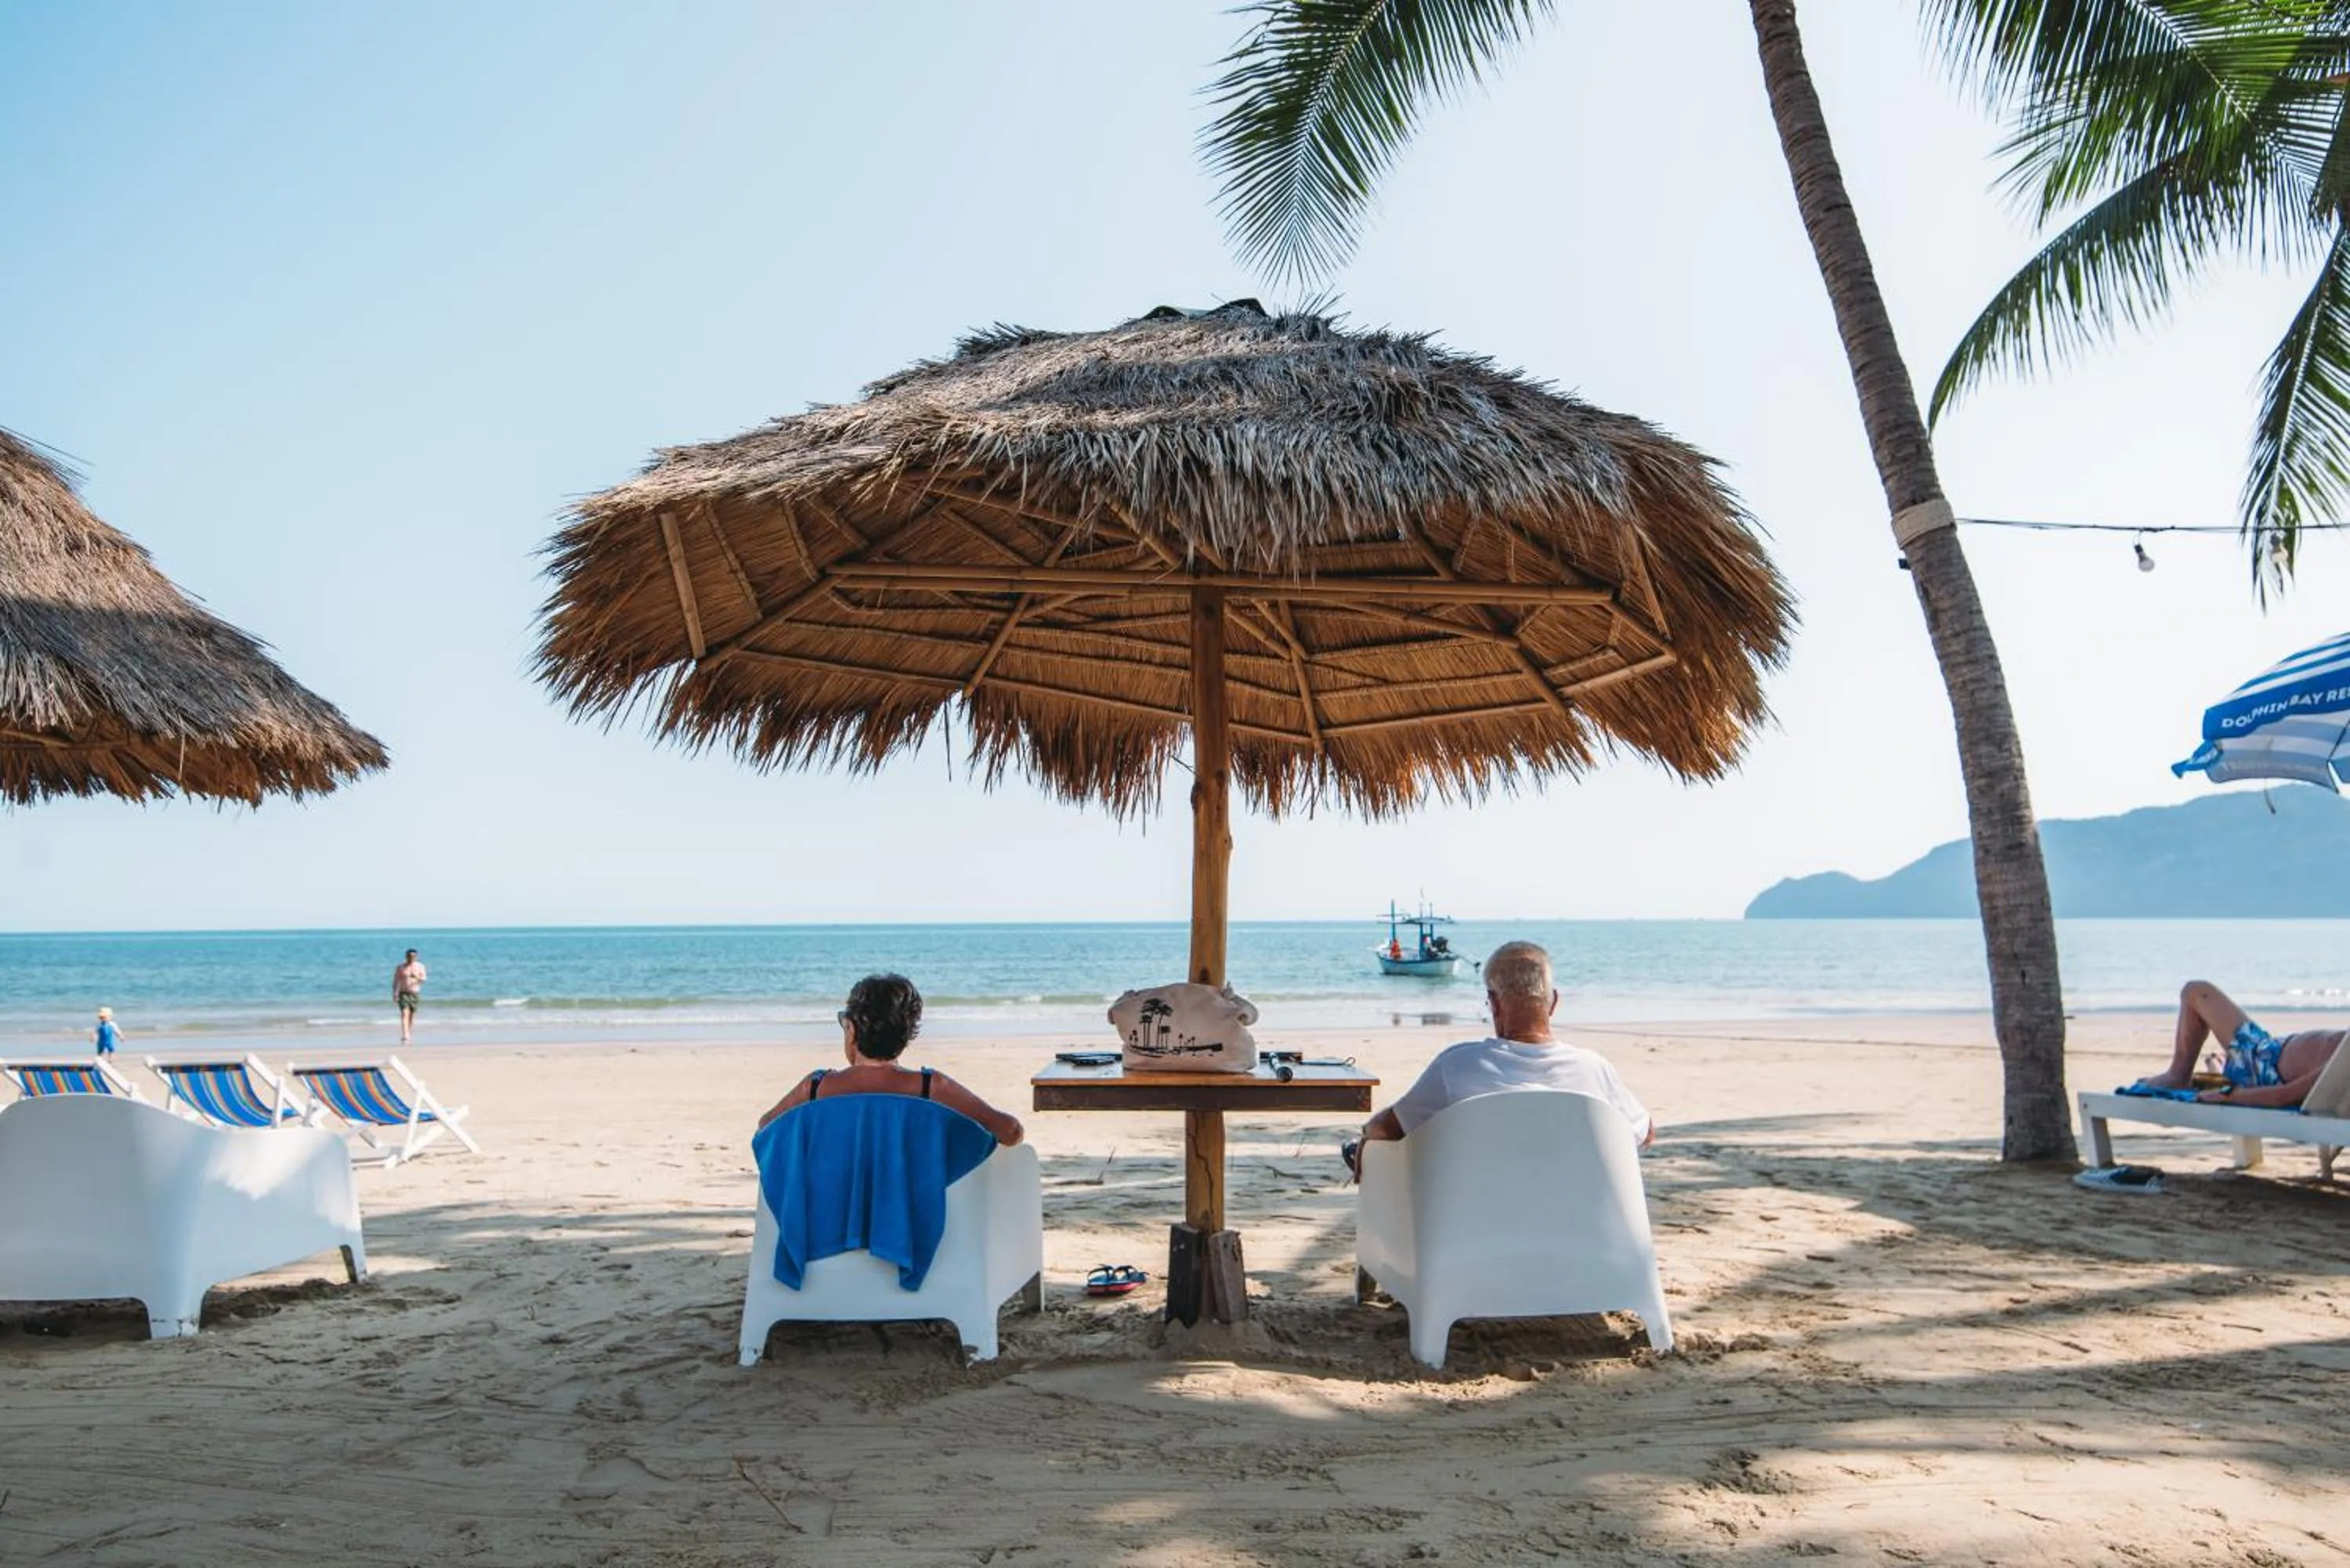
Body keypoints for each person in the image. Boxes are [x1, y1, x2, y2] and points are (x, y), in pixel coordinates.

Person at [1348, 940, 1651, 1175]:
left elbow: (1387, 1128)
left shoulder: (1458, 1067)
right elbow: (1644, 1133)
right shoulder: (1595, 1069)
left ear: (1493, 1004)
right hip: (1581, 1232)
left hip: (1476, 1233)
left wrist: (1363, 1138)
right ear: (1554, 1002)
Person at [757, 974, 1023, 1145]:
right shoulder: (931, 1088)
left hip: (825, 1226)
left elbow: (765, 1132)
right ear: (908, 1035)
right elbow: (1011, 1132)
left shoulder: (814, 1089)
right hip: (912, 1227)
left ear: (851, 1029)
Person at [2136, 980, 2344, 1107]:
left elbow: (2285, 1095)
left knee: (2196, 991)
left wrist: (2229, 1097)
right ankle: (2218, 1067)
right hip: (2268, 1052)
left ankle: (2178, 1075)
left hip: (2261, 1063)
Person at [392, 949, 427, 1046]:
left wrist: (417, 977)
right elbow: (396, 980)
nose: (411, 958)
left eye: (413, 956)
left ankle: (408, 1033)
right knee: (404, 1013)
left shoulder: (420, 966)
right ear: (406, 957)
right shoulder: (400, 967)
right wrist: (395, 992)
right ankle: (405, 1035)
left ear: (416, 957)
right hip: (403, 993)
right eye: (409, 956)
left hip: (414, 993)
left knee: (411, 1015)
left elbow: (424, 979)